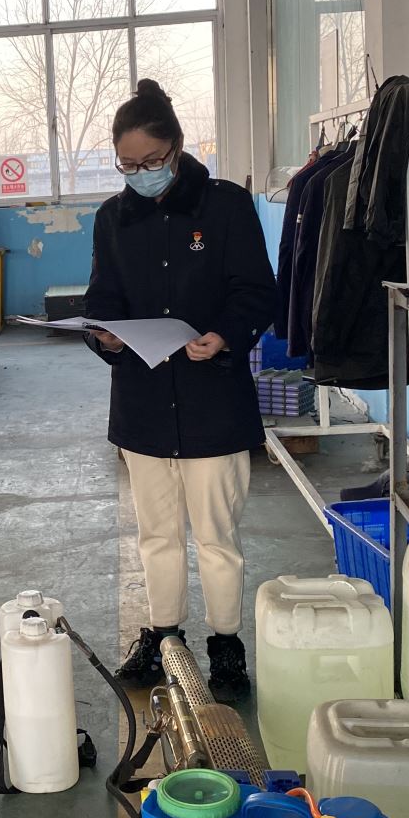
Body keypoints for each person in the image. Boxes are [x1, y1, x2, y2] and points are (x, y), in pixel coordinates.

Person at [84, 79, 277, 704]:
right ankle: (164, 636)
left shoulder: (225, 207)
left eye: (152, 161)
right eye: (128, 165)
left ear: (178, 147)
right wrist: (105, 335)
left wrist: (224, 335)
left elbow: (257, 292)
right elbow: (102, 299)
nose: (140, 174)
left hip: (212, 402)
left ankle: (226, 644)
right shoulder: (113, 219)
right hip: (142, 402)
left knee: (217, 537)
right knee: (156, 534)